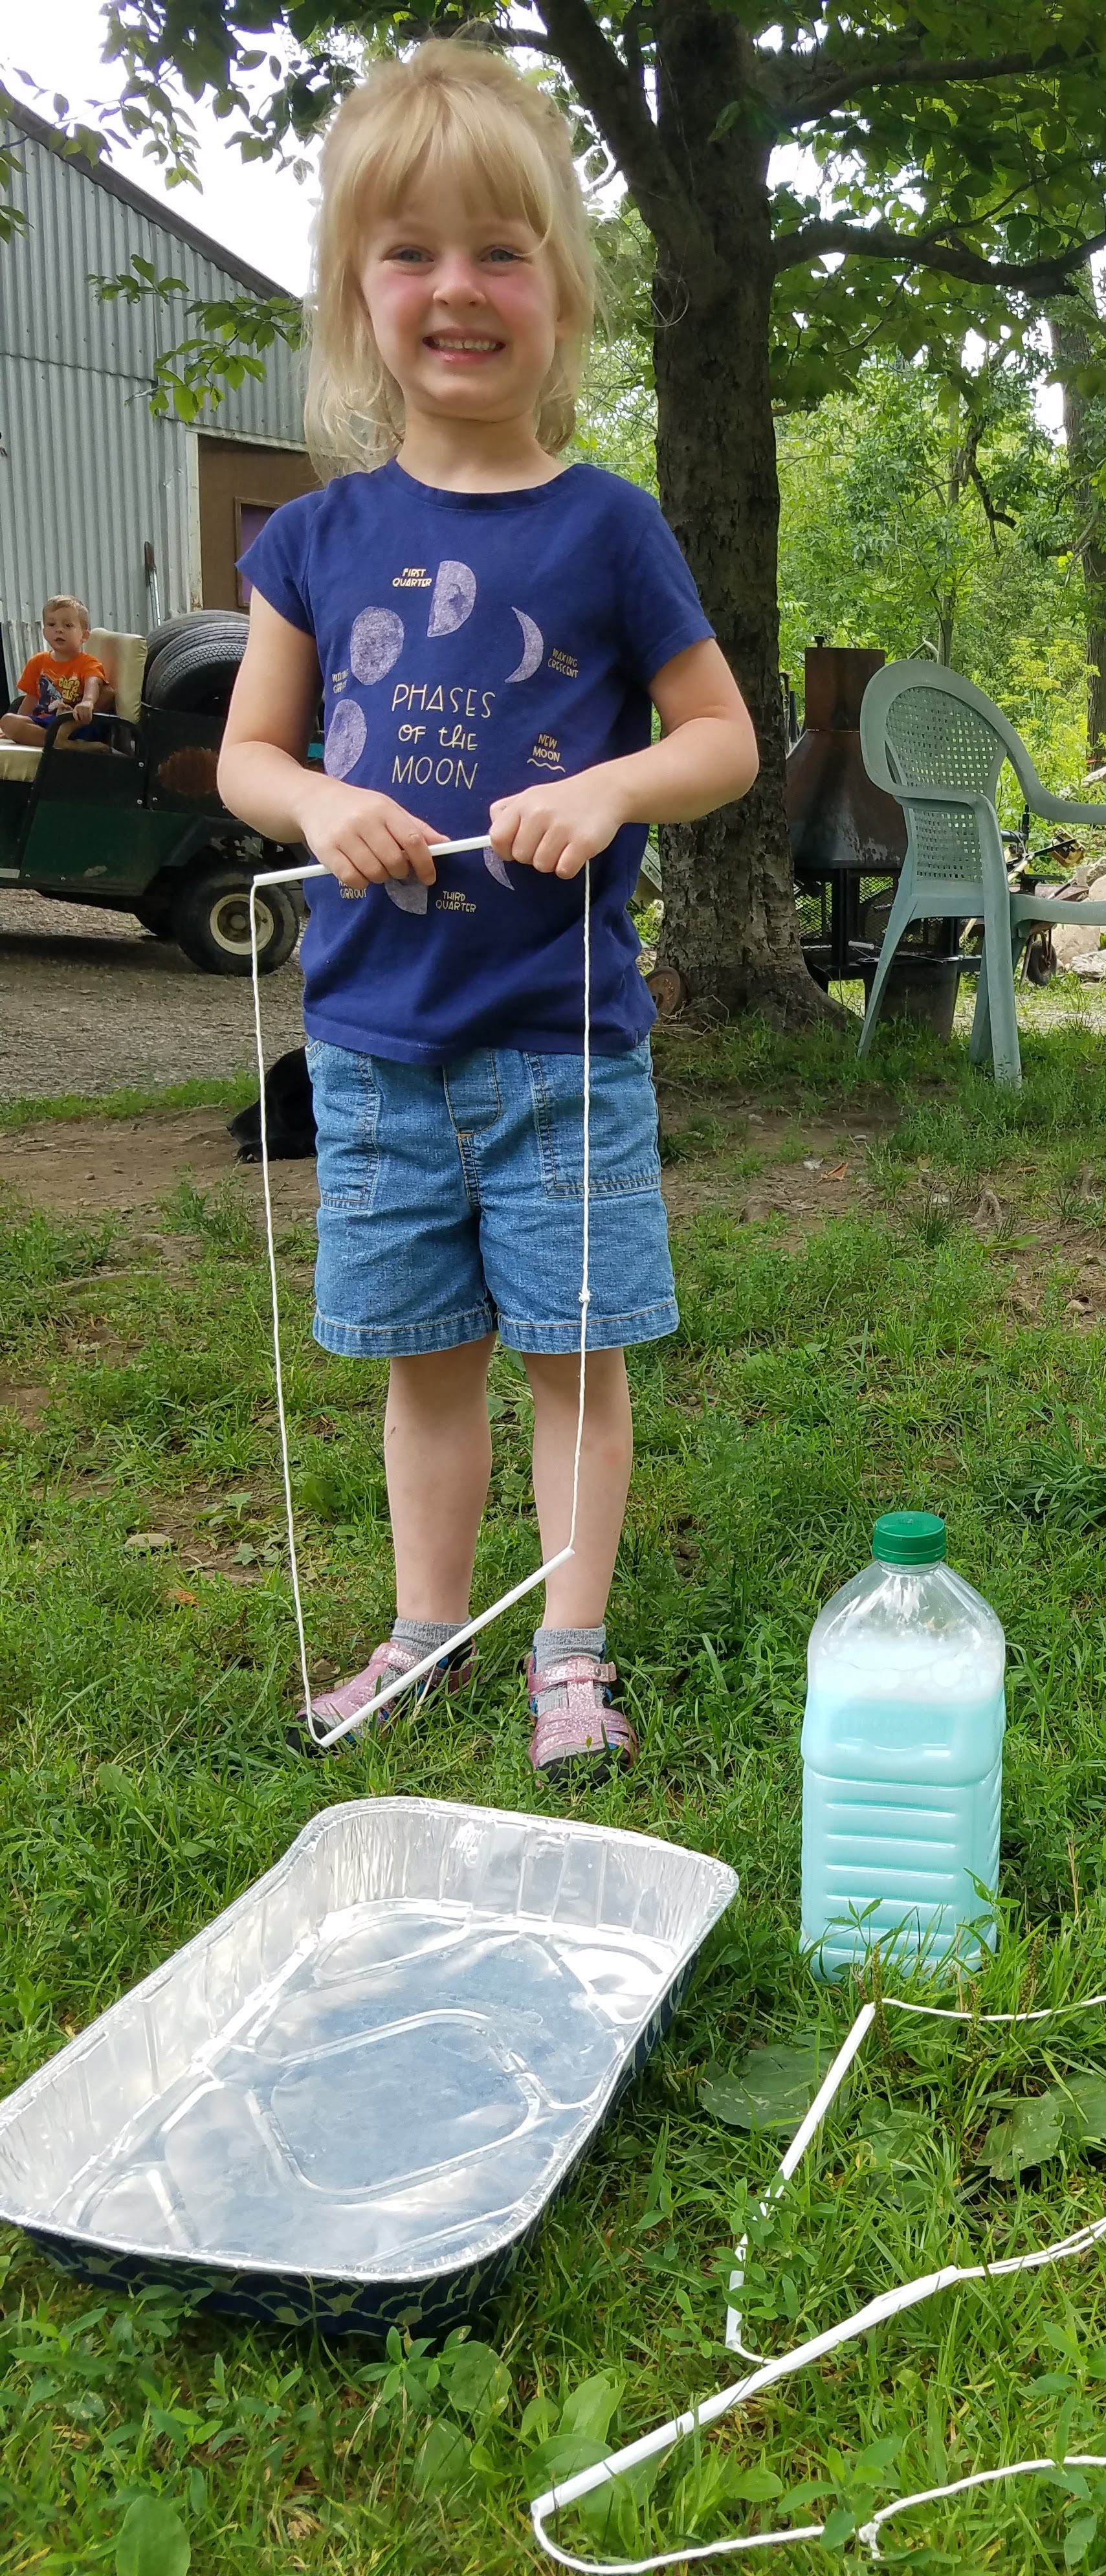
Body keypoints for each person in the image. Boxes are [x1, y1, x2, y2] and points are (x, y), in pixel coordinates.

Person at [218, 37, 757, 1778]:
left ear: (563, 292)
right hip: (375, 1049)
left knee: (575, 1360)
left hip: (559, 1050)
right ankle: (428, 1629)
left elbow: (724, 739)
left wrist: (611, 787)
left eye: (499, 251)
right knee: (423, 1357)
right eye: (411, 253)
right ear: (357, 294)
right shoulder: (312, 538)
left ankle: (571, 1650)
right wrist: (319, 800)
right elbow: (246, 759)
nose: (458, 288)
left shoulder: (607, 528)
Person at [2, 597, 109, 746]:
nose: (59, 630)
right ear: (45, 632)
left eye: (68, 625)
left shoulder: (88, 663)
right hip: (45, 722)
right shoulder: (38, 662)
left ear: (84, 636)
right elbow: (31, 699)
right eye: (52, 624)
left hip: (74, 723)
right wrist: (15, 729)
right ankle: (63, 744)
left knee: (108, 693)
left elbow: (94, 683)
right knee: (8, 721)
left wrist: (87, 702)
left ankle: (62, 740)